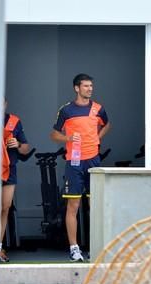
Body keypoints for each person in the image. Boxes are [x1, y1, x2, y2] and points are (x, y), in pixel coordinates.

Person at [50, 73, 111, 262]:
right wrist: (67, 138)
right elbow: (53, 134)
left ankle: (96, 248)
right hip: (74, 162)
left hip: (93, 161)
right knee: (73, 206)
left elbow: (107, 124)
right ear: (77, 88)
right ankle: (74, 249)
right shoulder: (66, 110)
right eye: (86, 86)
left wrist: (98, 137)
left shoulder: (98, 109)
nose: (90, 89)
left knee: (96, 206)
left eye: (91, 86)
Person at [0, 100, 30, 262]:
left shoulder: (14, 121)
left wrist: (17, 144)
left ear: (5, 104)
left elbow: (26, 148)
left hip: (10, 169)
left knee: (5, 207)